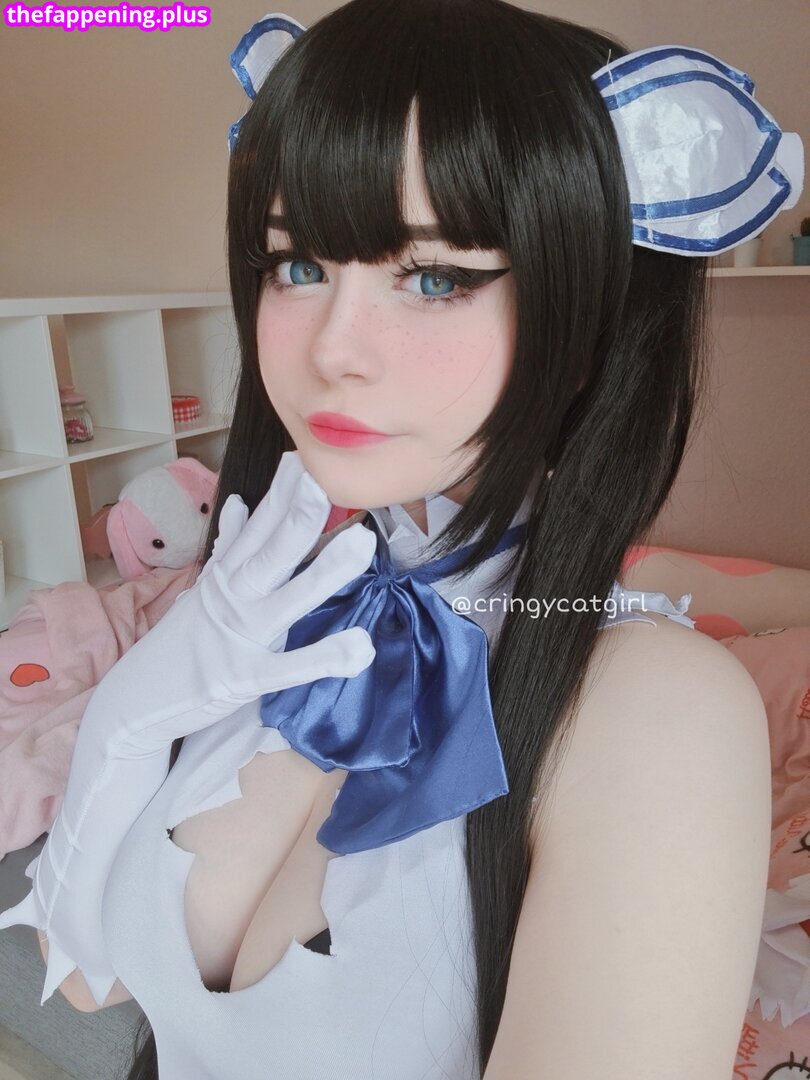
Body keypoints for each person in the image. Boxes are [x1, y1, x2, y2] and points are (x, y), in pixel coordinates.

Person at [0, 1, 803, 1077]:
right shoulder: (262, 611)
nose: (333, 349)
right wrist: (125, 721)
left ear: (589, 327)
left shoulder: (659, 709)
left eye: (436, 278)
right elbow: (87, 980)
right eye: (297, 265)